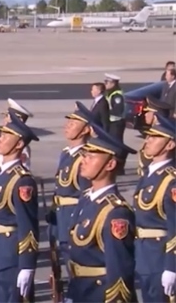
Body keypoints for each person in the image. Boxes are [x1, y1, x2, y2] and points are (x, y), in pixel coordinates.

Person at [66, 122, 136, 303]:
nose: (83, 160)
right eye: (85, 155)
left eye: (91, 157)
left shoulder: (116, 212)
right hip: (80, 290)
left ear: (110, 164)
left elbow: (120, 270)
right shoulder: (86, 198)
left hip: (99, 294)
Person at [0, 109, 40, 302]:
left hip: (11, 255)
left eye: (6, 136)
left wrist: (27, 265)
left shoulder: (22, 181)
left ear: (19, 144)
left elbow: (28, 227)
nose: (0, 139)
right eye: (1, 135)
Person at [132, 117, 176, 302]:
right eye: (148, 136)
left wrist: (172, 267)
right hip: (144, 256)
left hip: (159, 257)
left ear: (170, 145)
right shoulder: (150, 173)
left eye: (156, 137)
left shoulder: (171, 180)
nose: (148, 140)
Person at [50, 102, 95, 278]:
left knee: (77, 272)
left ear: (85, 130)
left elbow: (86, 195)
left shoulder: (84, 158)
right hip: (61, 218)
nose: (67, 126)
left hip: (73, 220)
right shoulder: (66, 154)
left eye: (74, 123)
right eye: (68, 122)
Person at [0, 98, 34, 171]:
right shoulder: (7, 140)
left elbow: (21, 170)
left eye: (7, 117)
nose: (4, 120)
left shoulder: (19, 145)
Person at [137, 97, 174, 177]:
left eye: (148, 112)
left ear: (155, 116)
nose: (145, 114)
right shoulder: (152, 132)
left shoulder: (165, 135)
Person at [104, 73, 126, 141]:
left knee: (115, 141)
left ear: (113, 83)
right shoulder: (110, 93)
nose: (105, 84)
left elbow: (118, 110)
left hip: (116, 122)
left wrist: (105, 113)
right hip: (112, 121)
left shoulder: (117, 95)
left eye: (106, 82)